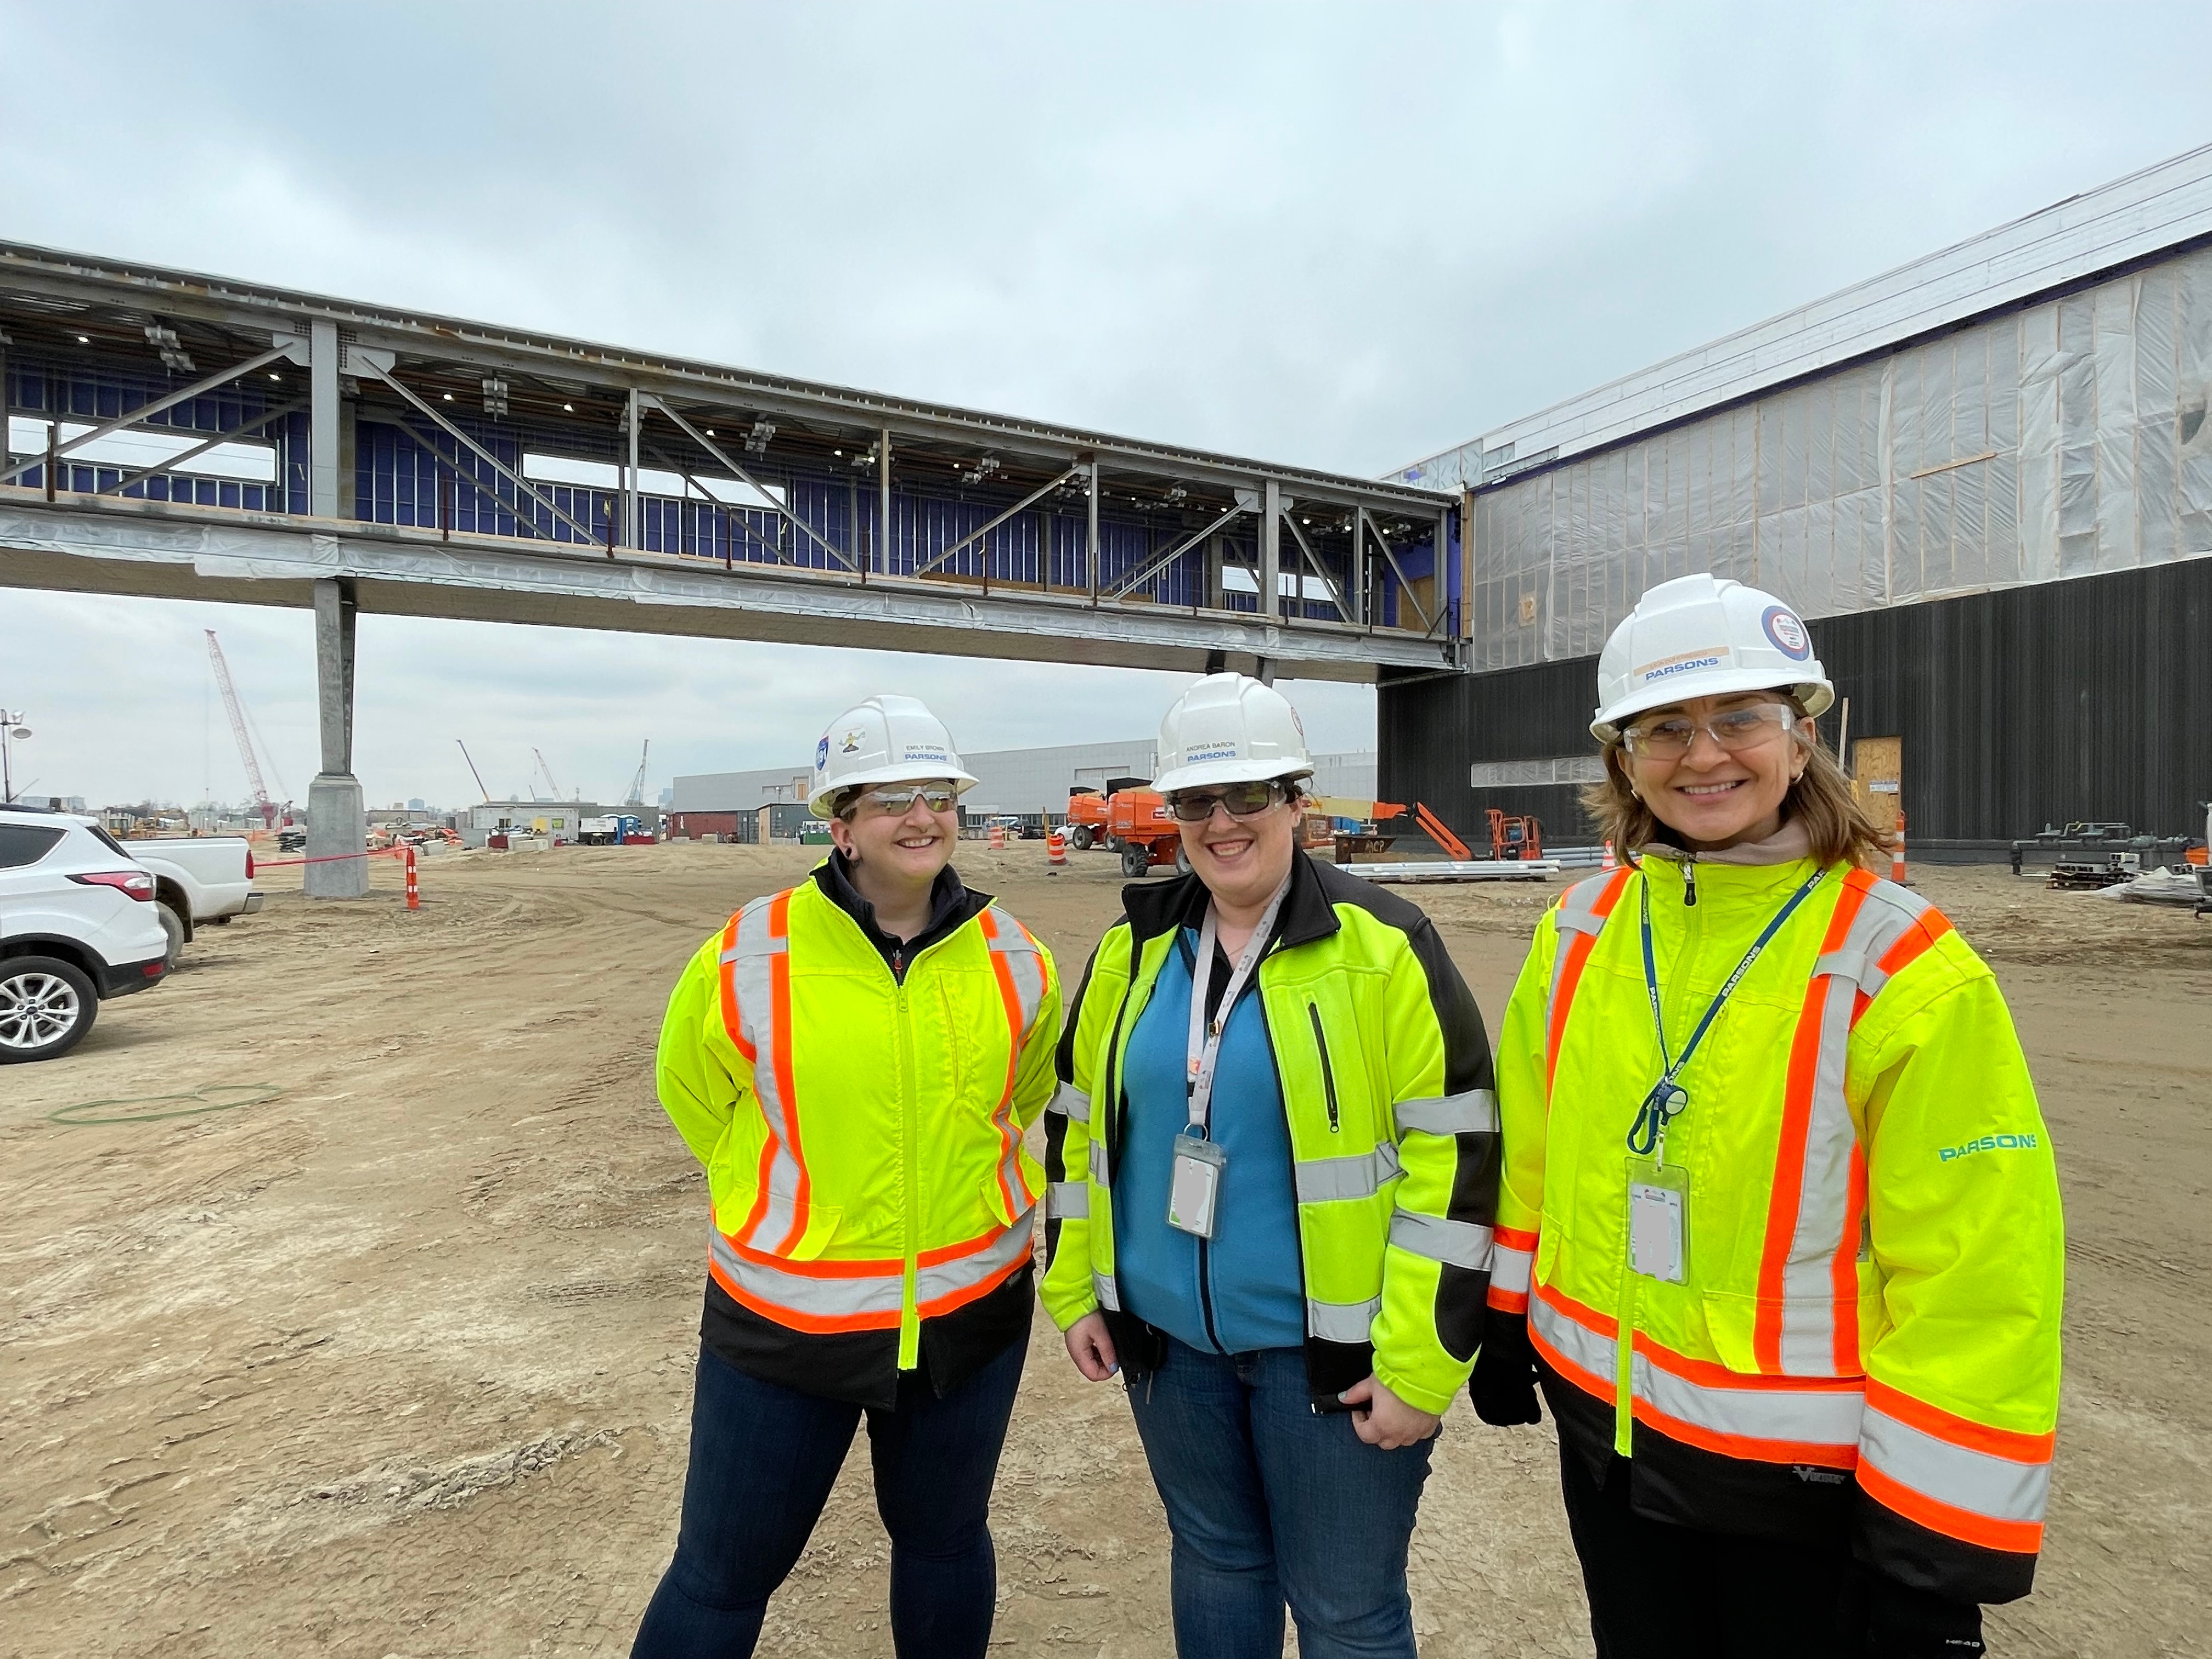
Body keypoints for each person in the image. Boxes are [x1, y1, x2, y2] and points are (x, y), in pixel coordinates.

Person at [1469, 574, 2064, 1658]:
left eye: (1740, 717)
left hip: (1801, 1490)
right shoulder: (1582, 932)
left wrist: (1935, 1551)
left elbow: (1980, 1273)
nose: (1704, 756)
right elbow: (1534, 1159)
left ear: (1800, 740)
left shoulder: (1900, 964)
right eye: (1665, 728)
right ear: (1625, 758)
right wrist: (1509, 1323)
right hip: (1609, 1441)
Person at [1042, 672, 1495, 1659]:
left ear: (1297, 802)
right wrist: (1074, 1288)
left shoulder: (1385, 948)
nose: (1222, 822)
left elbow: (1455, 1163)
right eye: (1197, 803)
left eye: (1248, 796)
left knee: (1346, 1611)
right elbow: (1079, 1129)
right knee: (1214, 1562)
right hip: (1169, 1354)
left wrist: (1421, 1364)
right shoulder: (1133, 949)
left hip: (1330, 1365)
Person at [633, 694, 1060, 1659]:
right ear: (841, 826)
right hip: (785, 1331)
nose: (923, 818)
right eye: (891, 800)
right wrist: (794, 1196)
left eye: (938, 794)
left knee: (946, 1543)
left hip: (969, 1320)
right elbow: (694, 1095)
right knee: (721, 1577)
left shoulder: (1015, 957)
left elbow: (1020, 1096)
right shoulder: (750, 952)